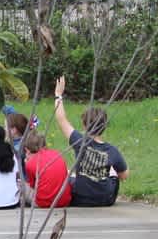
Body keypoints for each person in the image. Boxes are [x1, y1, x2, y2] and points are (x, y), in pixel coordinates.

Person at [54, 76, 128, 207]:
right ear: (104, 127)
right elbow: (124, 175)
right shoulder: (112, 151)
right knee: (113, 175)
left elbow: (61, 119)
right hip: (105, 200)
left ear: (84, 125)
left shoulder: (79, 141)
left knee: (69, 176)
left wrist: (58, 95)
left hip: (81, 199)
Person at [22, 131, 72, 209]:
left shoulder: (30, 164)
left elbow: (32, 186)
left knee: (20, 184)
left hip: (44, 204)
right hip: (64, 201)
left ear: (27, 151)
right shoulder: (57, 154)